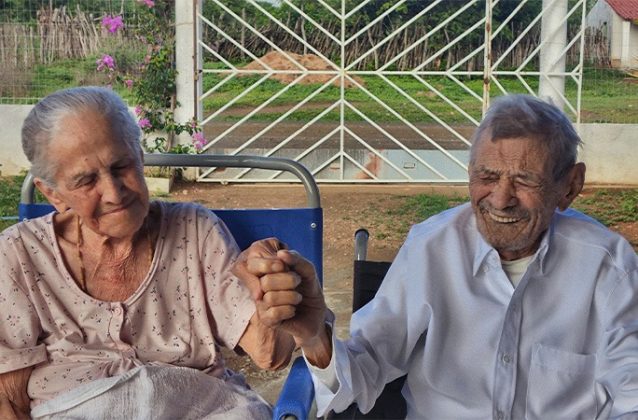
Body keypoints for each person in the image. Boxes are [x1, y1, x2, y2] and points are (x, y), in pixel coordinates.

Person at [235, 94, 638, 419]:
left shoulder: (609, 267)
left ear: (570, 186)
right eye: (486, 176)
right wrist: (312, 335)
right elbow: (364, 371)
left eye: (524, 180)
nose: (500, 198)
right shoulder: (432, 248)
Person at [0, 86, 296, 419]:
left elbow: (270, 353)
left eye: (121, 166)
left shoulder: (195, 230)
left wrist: (270, 293)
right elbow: (7, 400)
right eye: (86, 181)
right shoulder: (19, 254)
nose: (114, 193)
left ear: (139, 157)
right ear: (53, 193)